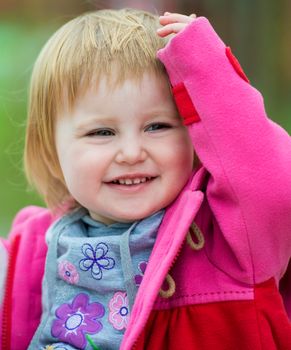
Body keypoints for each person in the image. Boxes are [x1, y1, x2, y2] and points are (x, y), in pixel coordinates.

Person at [0, 8, 291, 350]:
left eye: (157, 126)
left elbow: (273, 188)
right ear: (52, 150)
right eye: (102, 132)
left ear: (195, 135)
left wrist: (211, 76)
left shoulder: (228, 242)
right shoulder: (35, 249)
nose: (131, 152)